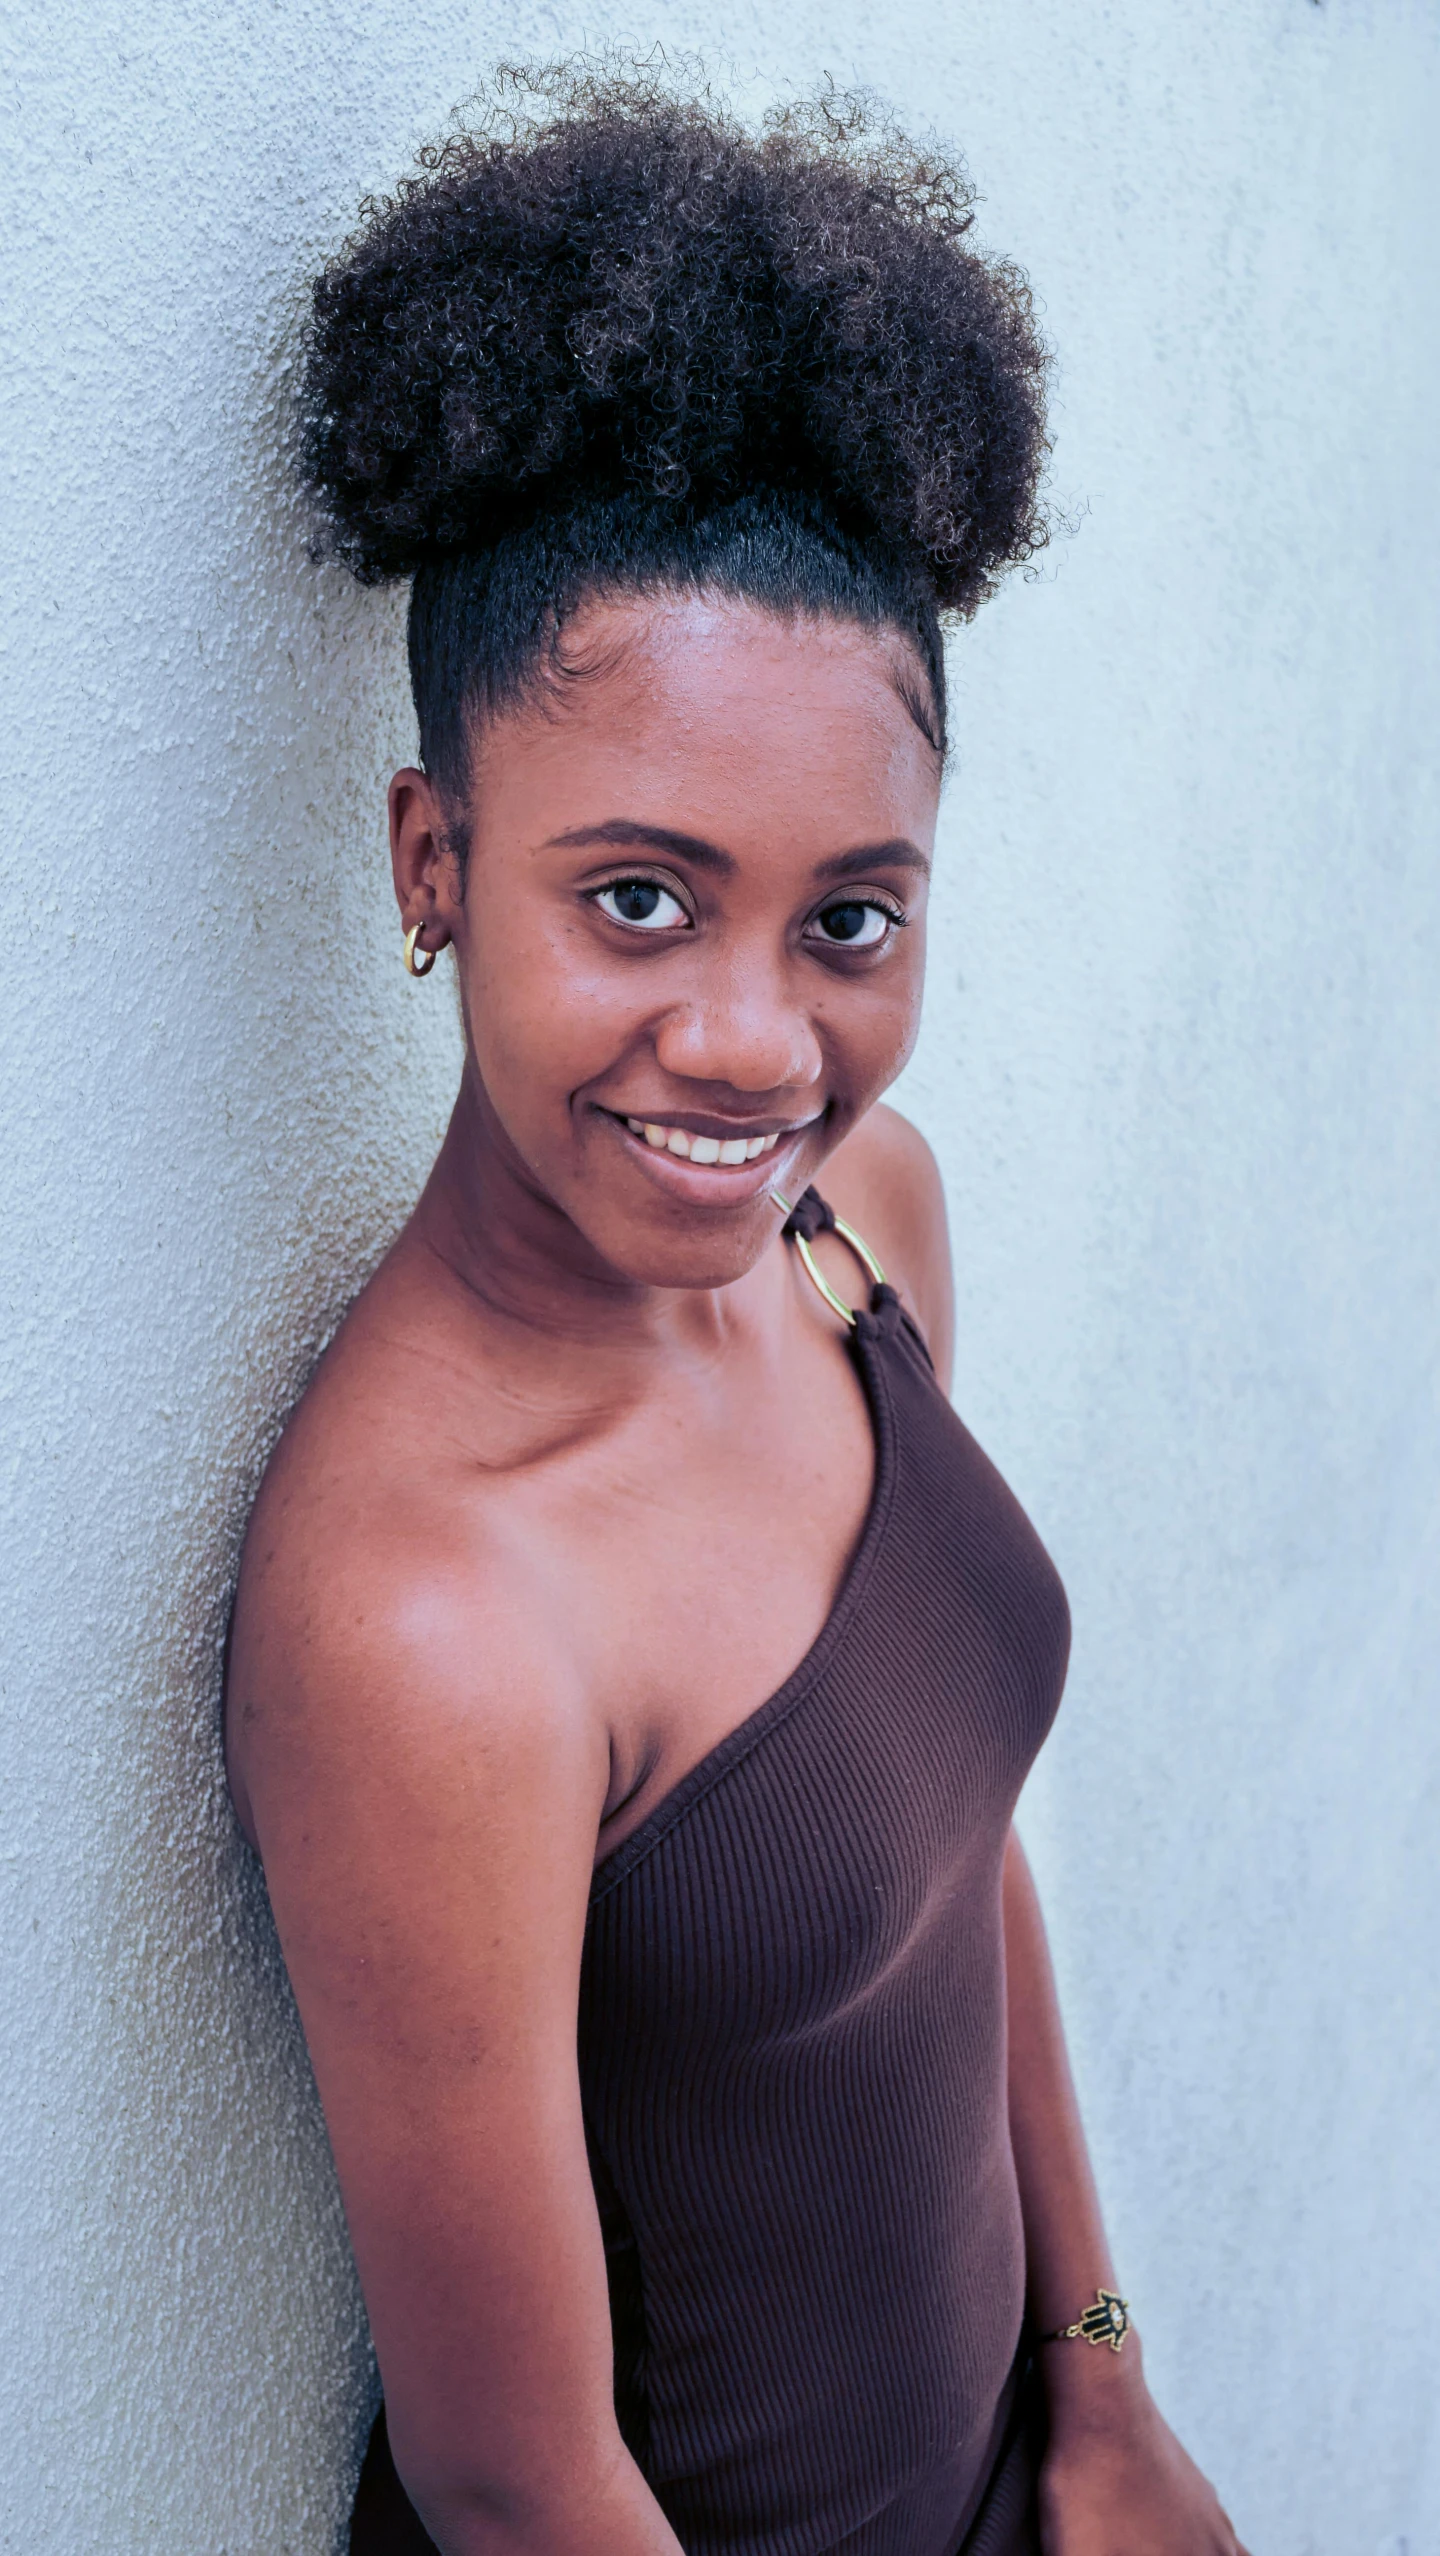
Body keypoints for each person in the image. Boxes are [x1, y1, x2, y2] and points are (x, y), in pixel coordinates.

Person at [224, 67, 1249, 2556]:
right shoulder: (428, 1612)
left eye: (851, 920)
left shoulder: (857, 1228)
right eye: (642, 902)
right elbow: (519, 2479)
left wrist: (1100, 2386)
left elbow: (942, 1845)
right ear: (435, 861)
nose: (757, 1045)